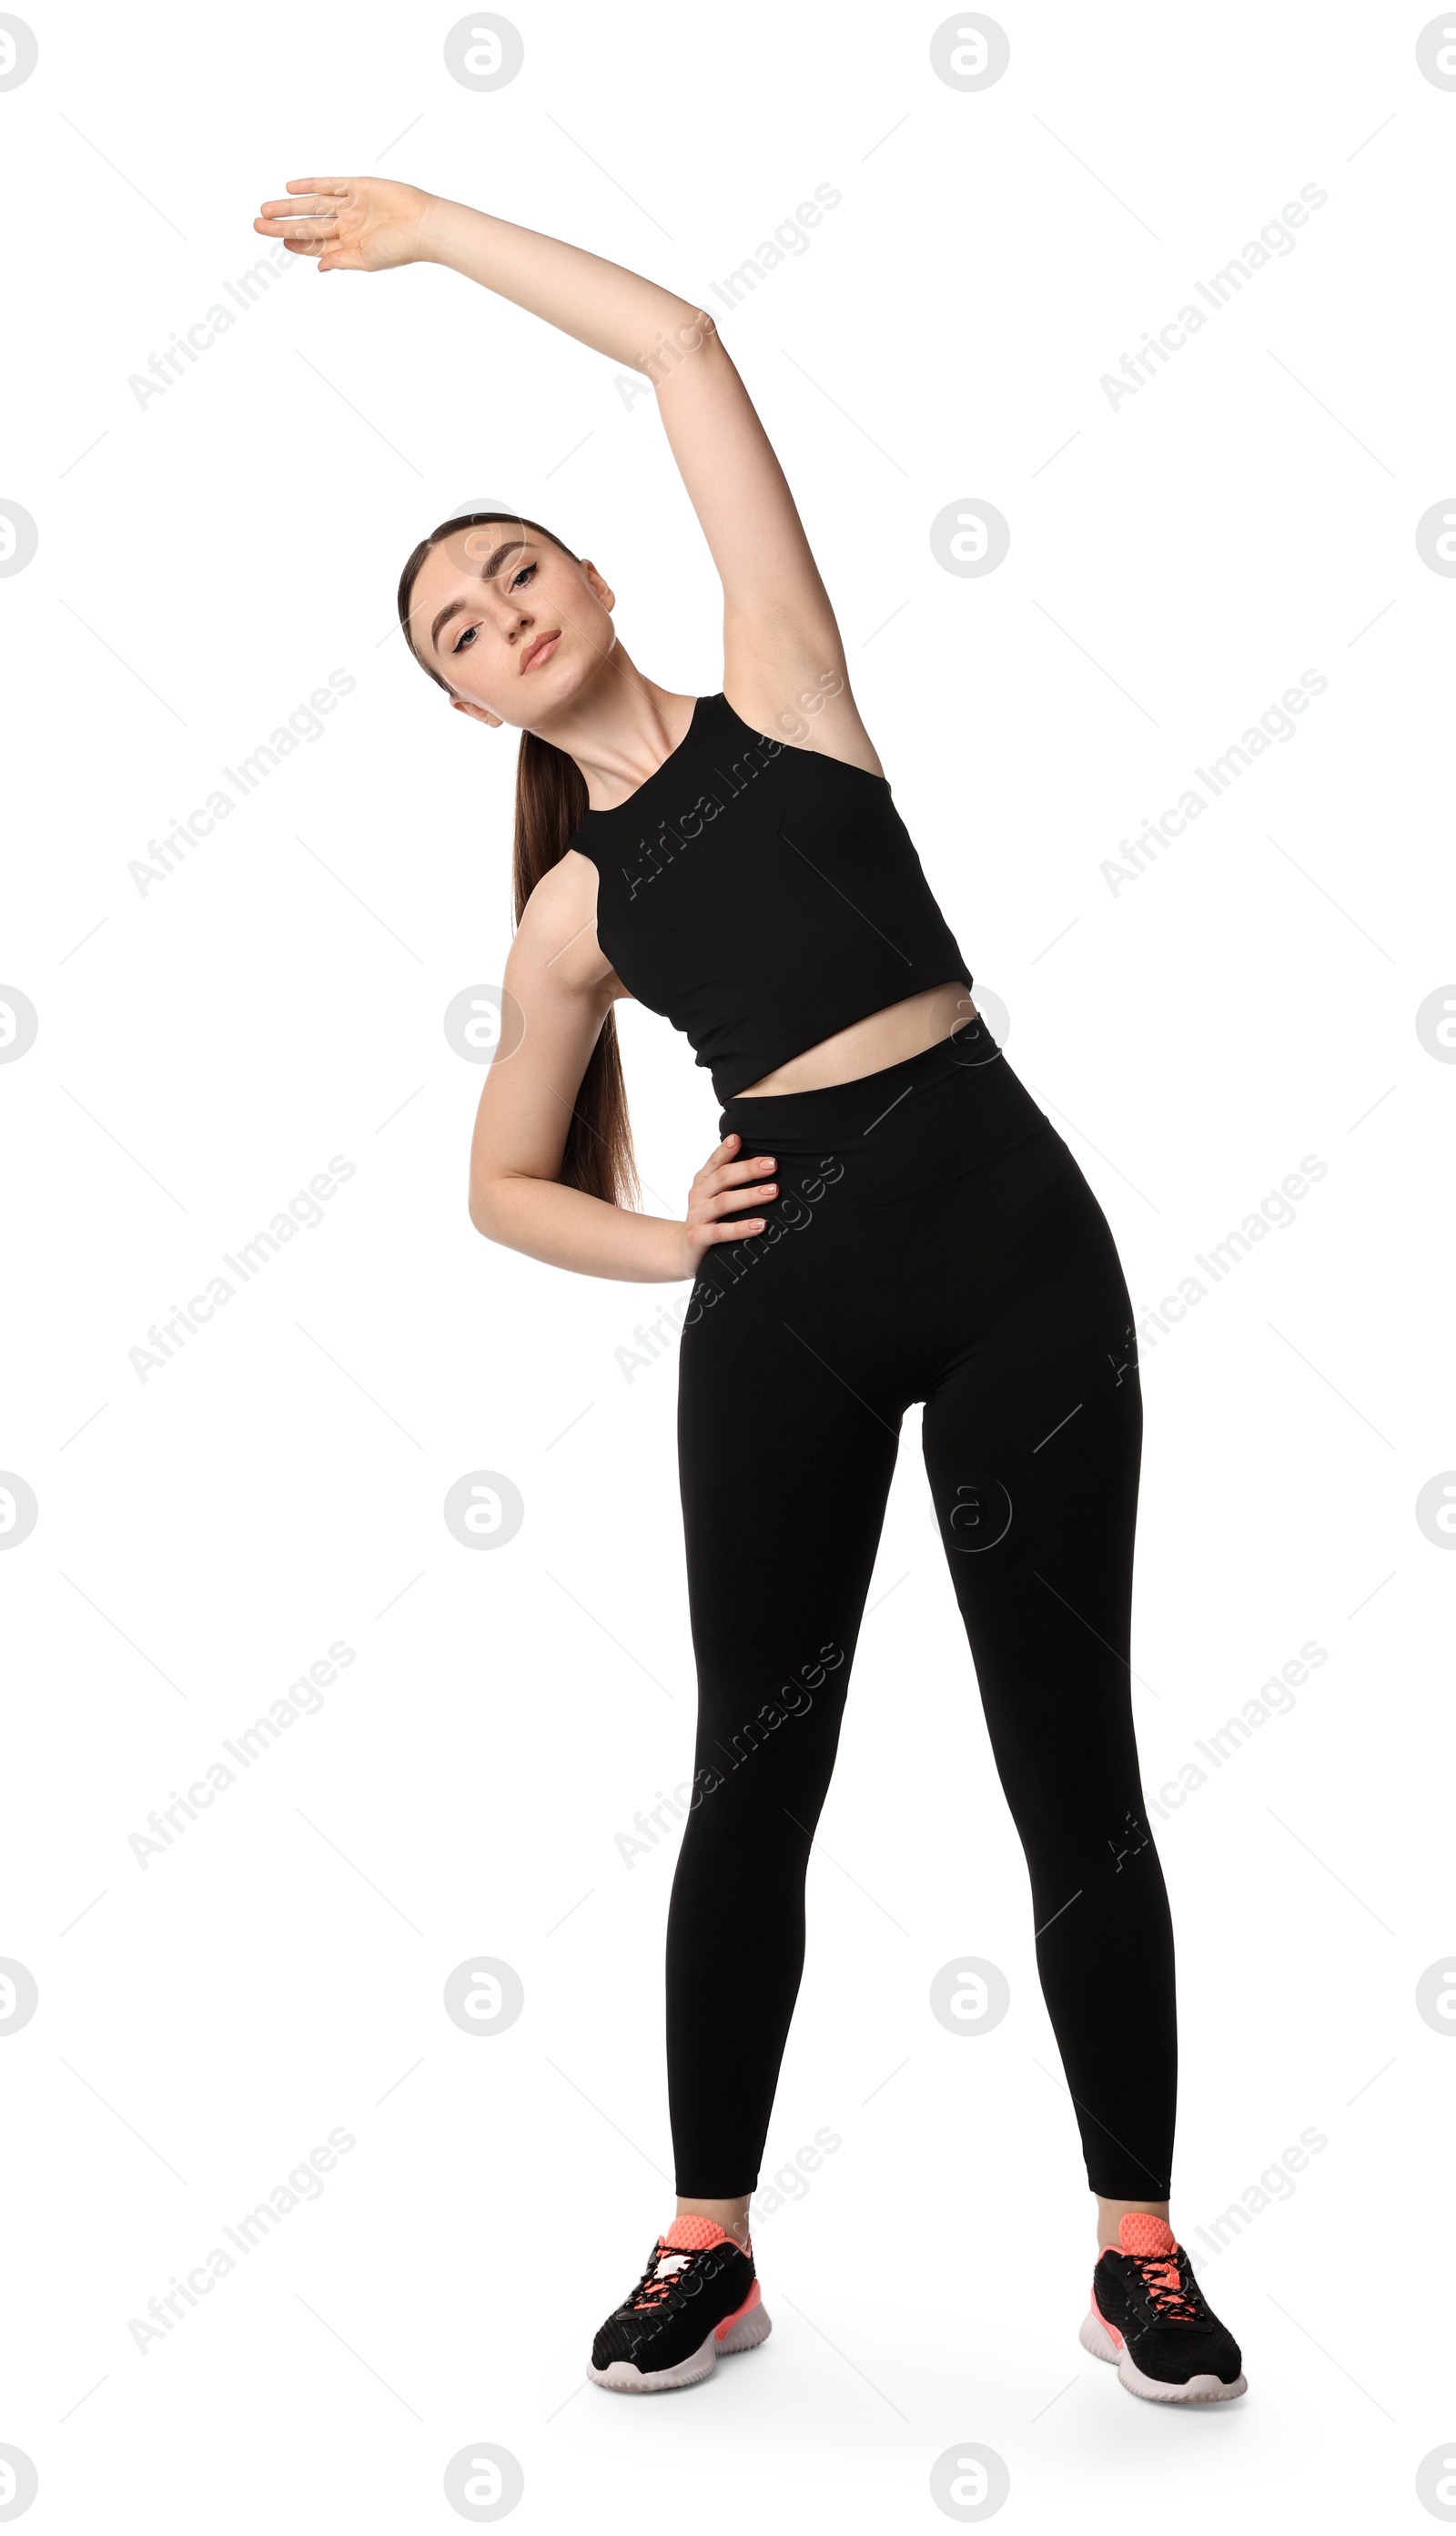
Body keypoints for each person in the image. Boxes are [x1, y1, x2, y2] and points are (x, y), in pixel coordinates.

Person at [254, 173, 1249, 2407]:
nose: (498, 609)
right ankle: (705, 2240)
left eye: (516, 567)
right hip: (783, 1298)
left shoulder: (786, 694)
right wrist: (660, 1238)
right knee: (752, 1775)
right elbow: (500, 1180)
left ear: (597, 580)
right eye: (454, 623)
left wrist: (429, 232)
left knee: (1066, 1755)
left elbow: (685, 343)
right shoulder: (566, 914)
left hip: (1012, 1250)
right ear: (454, 700)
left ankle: (1138, 2250)